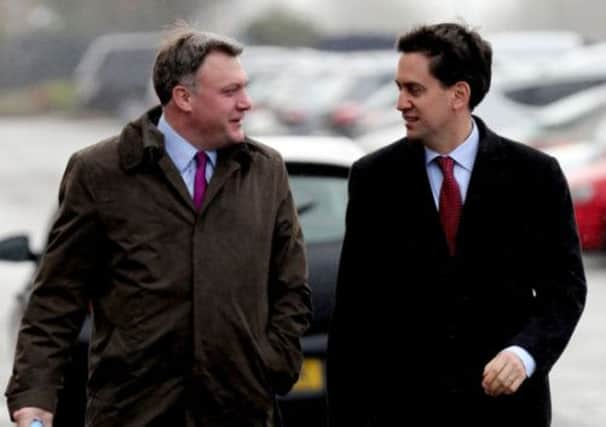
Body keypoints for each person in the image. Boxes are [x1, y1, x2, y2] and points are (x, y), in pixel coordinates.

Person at [6, 24, 311, 427]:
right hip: (134, 412)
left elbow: (290, 285)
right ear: (183, 97)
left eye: (244, 87)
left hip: (240, 410)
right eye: (230, 91)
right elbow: (56, 298)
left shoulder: (265, 171)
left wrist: (272, 362)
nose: (247, 103)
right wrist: (35, 397)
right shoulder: (101, 172)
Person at [326, 23, 586, 427]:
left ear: (458, 95)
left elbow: (565, 290)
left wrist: (524, 353)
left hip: (508, 411)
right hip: (407, 411)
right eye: (399, 87)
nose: (400, 103)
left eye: (414, 90)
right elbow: (354, 316)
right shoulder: (374, 177)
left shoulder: (535, 175)